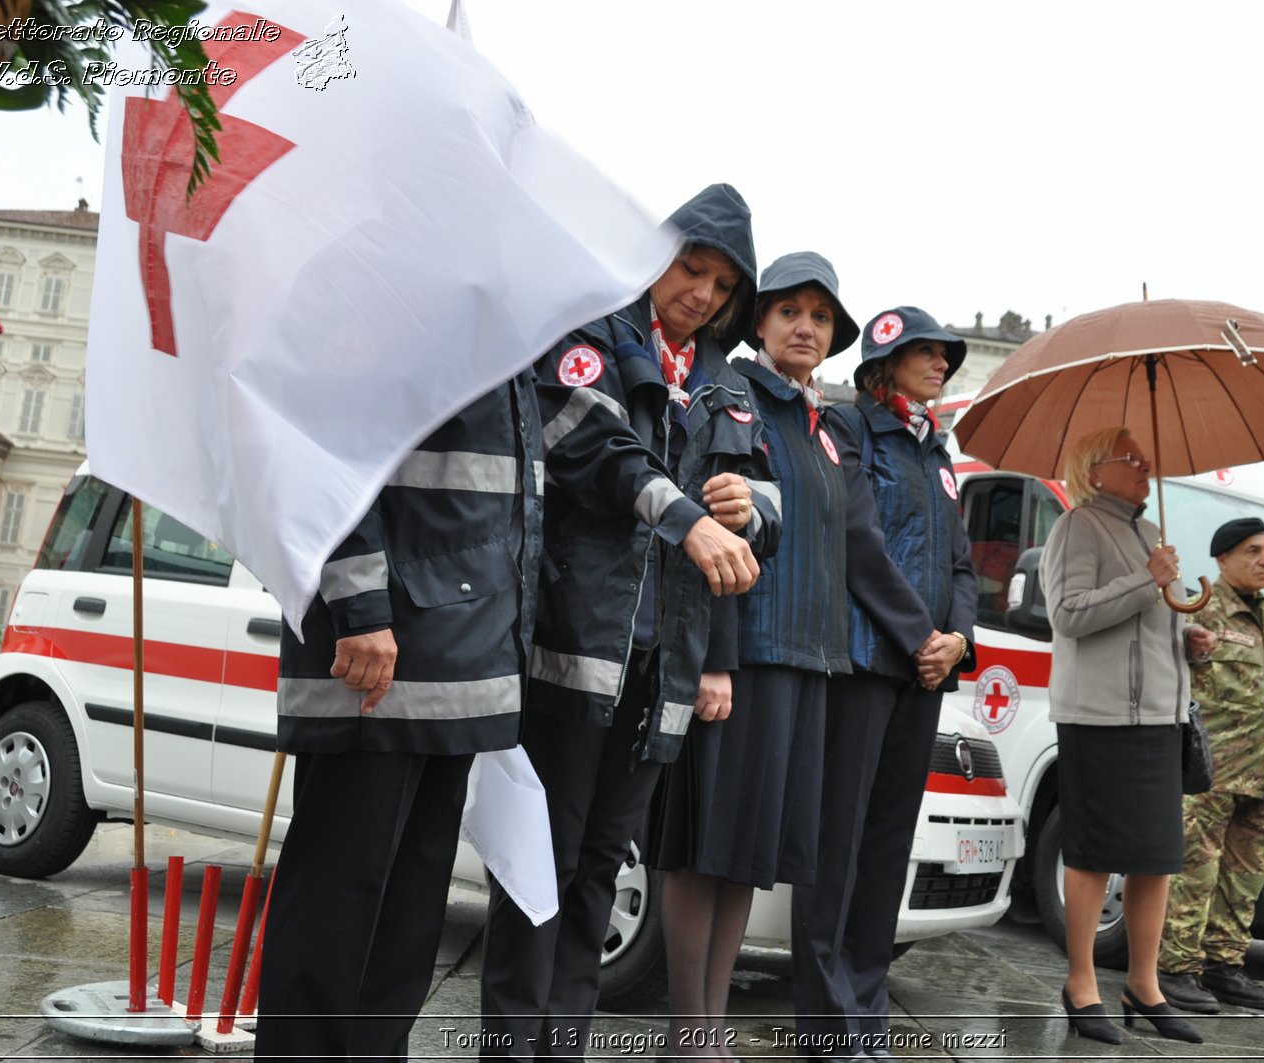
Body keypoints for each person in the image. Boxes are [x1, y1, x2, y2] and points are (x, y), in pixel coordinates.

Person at [255, 360, 751, 1059]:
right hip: (376, 664)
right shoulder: (396, 311)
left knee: (405, 931)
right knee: (335, 922)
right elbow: (321, 452)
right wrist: (358, 601)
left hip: (460, 670)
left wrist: (689, 517)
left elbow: (569, 463)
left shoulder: (506, 347)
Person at [480, 183, 777, 1062]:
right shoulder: (595, 333)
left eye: (724, 286)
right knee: (539, 869)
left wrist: (748, 503)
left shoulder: (727, 383)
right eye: (693, 268)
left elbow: (769, 499)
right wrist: (689, 512)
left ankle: (560, 1047)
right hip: (575, 650)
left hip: (665, 670)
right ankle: (508, 1046)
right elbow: (587, 444)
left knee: (601, 872)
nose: (704, 295)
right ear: (658, 254)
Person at [649, 251, 859, 1058]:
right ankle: (687, 1032)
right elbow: (718, 534)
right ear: (760, 322)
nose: (806, 327)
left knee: (745, 854)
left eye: (820, 316)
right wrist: (714, 656)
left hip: (805, 660)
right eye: (789, 312)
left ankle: (709, 1031)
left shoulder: (820, 424)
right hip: (743, 650)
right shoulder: (738, 398)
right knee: (704, 844)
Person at [790, 306, 976, 1060]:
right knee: (837, 846)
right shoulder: (851, 430)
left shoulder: (938, 451)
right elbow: (856, 542)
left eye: (945, 355)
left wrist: (957, 641)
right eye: (926, 353)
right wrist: (919, 634)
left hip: (923, 676)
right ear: (883, 364)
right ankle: (826, 1024)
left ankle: (865, 1015)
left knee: (887, 848)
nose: (941, 364)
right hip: (867, 663)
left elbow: (961, 563)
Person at [1039, 426, 1217, 1046]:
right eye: (1131, 459)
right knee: (1091, 856)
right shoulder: (1077, 527)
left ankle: (1145, 986)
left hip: (1159, 720)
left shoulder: (1149, 534)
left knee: (1155, 860)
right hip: (1100, 716)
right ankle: (1081, 983)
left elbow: (1145, 625)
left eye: (1146, 458)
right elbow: (1069, 614)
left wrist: (1188, 640)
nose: (1146, 466)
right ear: (1094, 470)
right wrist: (1148, 579)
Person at [1158, 517, 1264, 1012]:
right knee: (1195, 870)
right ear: (1223, 559)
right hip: (1214, 769)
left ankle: (1224, 965)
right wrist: (1190, 643)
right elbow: (1177, 658)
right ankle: (1176, 969)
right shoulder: (1203, 606)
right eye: (1253, 551)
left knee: (1248, 874)